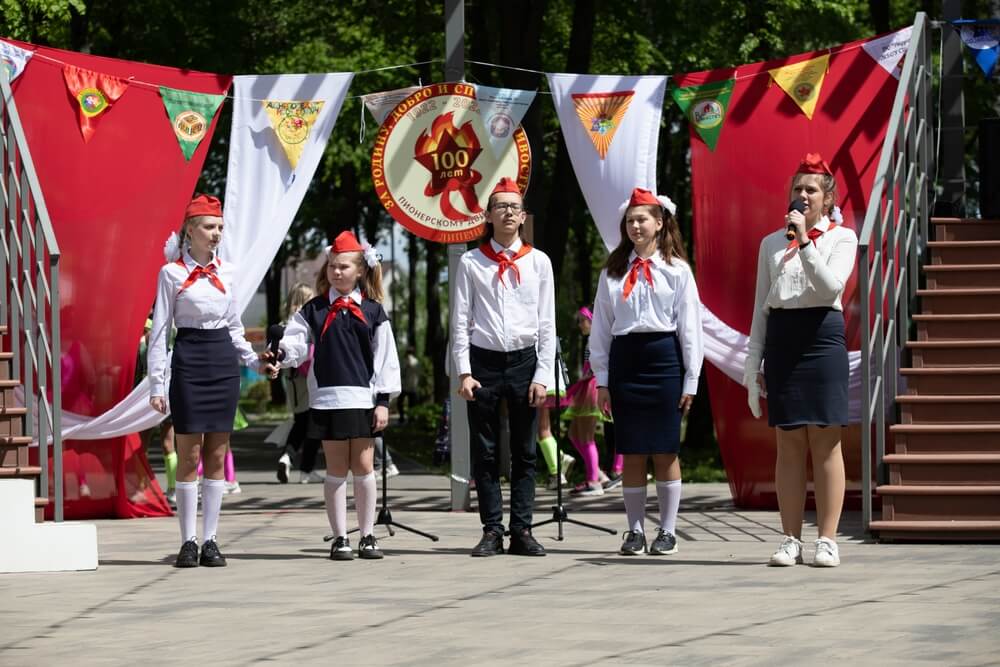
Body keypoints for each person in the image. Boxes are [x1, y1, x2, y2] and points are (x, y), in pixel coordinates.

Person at [744, 153, 857, 568]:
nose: (802, 195)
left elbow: (831, 290)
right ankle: (790, 537)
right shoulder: (771, 243)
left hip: (823, 338)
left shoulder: (841, 239)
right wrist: (751, 365)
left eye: (811, 189)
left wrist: (806, 241)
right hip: (784, 340)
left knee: (825, 443)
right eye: (797, 188)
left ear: (827, 200)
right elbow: (761, 308)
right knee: (789, 443)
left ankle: (827, 539)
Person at [267, 231, 400, 561]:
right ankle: (340, 537)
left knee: (365, 466)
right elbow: (295, 344)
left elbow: (386, 358)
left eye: (343, 267)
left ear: (359, 271)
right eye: (332, 267)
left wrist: (383, 401)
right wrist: (279, 356)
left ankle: (368, 535)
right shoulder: (312, 310)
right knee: (336, 468)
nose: (336, 272)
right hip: (327, 398)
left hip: (363, 399)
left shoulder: (372, 311)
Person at [148, 193, 262, 568]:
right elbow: (161, 330)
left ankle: (211, 540)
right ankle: (188, 541)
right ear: (191, 231)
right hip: (189, 358)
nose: (216, 235)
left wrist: (254, 361)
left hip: (222, 361)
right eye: (210, 227)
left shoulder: (228, 273)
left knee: (216, 452)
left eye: (220, 228)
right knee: (189, 452)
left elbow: (233, 325)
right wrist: (156, 384)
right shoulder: (171, 273)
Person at [591, 187, 704, 557]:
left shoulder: (677, 271)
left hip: (664, 361)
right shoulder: (612, 271)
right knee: (633, 451)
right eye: (629, 220)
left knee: (665, 450)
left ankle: (667, 531)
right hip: (626, 362)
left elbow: (690, 329)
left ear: (659, 223)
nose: (635, 226)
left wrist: (691, 379)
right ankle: (635, 531)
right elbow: (601, 330)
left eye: (642, 219)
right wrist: (603, 380)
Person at [452, 176, 556, 557]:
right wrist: (464, 371)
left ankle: (522, 529)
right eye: (501, 206)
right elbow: (460, 320)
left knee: (525, 451)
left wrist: (542, 375)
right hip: (484, 362)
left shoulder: (538, 262)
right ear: (489, 215)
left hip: (525, 362)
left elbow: (548, 323)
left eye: (514, 207)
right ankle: (492, 529)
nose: (508, 212)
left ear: (523, 215)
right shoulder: (471, 262)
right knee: (486, 450)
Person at [275, 283, 324, 485]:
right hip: (310, 378)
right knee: (315, 424)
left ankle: (288, 458)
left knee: (301, 422)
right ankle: (305, 468)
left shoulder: (285, 323)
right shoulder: (306, 320)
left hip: (293, 380)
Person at [566, 306, 616, 496]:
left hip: (592, 387)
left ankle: (593, 481)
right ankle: (599, 475)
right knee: (574, 433)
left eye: (582, 320)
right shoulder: (590, 339)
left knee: (586, 436)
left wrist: (589, 375)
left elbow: (600, 363)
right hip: (586, 386)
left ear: (591, 320)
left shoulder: (597, 338)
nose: (579, 325)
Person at [398, 347, 420, 423]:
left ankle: (402, 417)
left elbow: (401, 372)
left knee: (400, 402)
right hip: (413, 386)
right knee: (412, 403)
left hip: (404, 386)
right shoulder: (416, 361)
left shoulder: (404, 361)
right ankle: (411, 418)